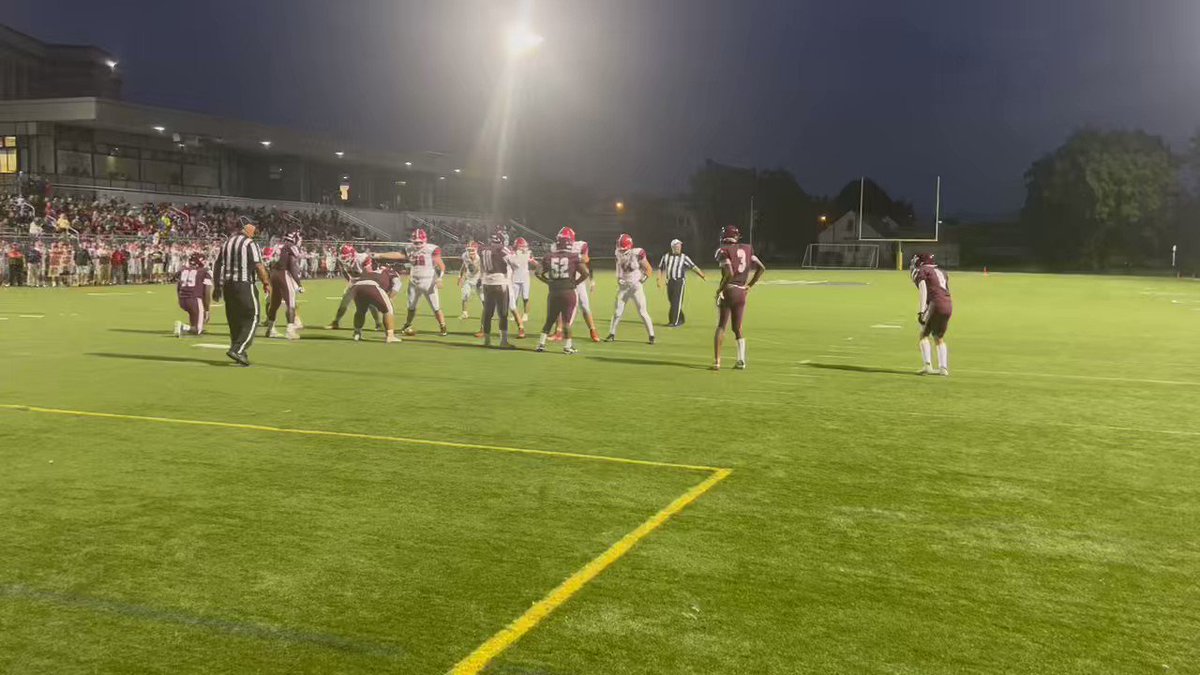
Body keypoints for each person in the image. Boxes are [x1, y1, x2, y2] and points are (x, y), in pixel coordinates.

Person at [212, 221, 271, 366]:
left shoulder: (227, 243)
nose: (255, 234)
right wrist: (266, 283)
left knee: (235, 319)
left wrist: (217, 286)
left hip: (227, 285)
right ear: (249, 230)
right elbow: (258, 265)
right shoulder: (250, 244)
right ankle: (238, 349)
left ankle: (239, 351)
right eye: (254, 231)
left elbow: (218, 264)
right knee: (253, 316)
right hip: (244, 284)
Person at [713, 225, 766, 371]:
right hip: (742, 292)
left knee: (721, 326)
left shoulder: (723, 250)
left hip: (729, 290)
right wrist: (750, 285)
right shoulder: (748, 248)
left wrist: (720, 289)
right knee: (737, 328)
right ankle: (741, 360)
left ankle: (717, 362)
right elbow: (762, 268)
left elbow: (729, 273)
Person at [534, 230, 590, 354]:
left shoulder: (549, 256)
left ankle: (541, 344)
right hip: (568, 291)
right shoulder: (574, 256)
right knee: (566, 321)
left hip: (554, 291)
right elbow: (586, 273)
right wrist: (576, 282)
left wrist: (547, 281)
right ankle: (567, 347)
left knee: (549, 319)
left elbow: (537, 273)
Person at [605, 233, 656, 344]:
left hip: (636, 287)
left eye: (624, 249)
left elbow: (649, 269)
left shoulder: (637, 253)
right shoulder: (618, 253)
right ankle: (612, 333)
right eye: (620, 249)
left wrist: (642, 280)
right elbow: (618, 268)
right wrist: (619, 279)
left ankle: (651, 335)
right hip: (623, 288)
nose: (622, 251)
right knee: (617, 312)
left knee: (642, 312)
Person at [399, 228, 448, 336]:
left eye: (420, 242)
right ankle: (408, 324)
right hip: (414, 281)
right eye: (415, 242)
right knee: (411, 306)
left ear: (425, 240)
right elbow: (399, 255)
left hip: (428, 281)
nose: (417, 244)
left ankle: (443, 326)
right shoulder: (408, 248)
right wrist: (380, 255)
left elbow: (441, 265)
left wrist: (440, 278)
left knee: (435, 306)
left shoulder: (432, 249)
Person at [555, 226, 601, 342]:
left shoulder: (580, 245)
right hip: (564, 279)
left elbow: (586, 259)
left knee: (585, 306)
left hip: (577, 279)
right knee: (560, 306)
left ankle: (592, 330)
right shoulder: (557, 247)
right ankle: (559, 332)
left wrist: (574, 258)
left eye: (563, 238)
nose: (562, 241)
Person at [911, 252, 952, 376]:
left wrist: (922, 311)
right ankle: (943, 368)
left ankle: (927, 365)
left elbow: (923, 290)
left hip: (935, 304)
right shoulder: (942, 272)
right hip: (948, 303)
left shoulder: (923, 271)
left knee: (924, 334)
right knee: (939, 337)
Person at [327, 244, 381, 330]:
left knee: (371, 304)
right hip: (353, 281)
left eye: (346, 256)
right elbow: (344, 272)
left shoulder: (362, 258)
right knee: (344, 302)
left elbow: (369, 273)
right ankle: (336, 322)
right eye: (343, 257)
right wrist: (349, 281)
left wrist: (365, 285)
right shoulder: (341, 260)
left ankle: (378, 323)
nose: (344, 259)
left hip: (365, 280)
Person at [478, 230, 516, 348]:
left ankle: (487, 341)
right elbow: (514, 263)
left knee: (488, 313)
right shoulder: (502, 249)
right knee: (503, 313)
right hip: (500, 282)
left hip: (486, 282)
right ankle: (503, 341)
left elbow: (482, 265)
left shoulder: (483, 249)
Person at [265, 229, 305, 340]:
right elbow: (292, 266)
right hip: (283, 274)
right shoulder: (290, 246)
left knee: (274, 303)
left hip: (273, 274)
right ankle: (290, 330)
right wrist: (299, 283)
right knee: (291, 303)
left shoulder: (279, 245)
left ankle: (270, 329)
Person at [657, 239, 706, 326]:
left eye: (679, 246)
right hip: (670, 281)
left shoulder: (684, 257)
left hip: (679, 281)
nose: (679, 248)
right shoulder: (666, 256)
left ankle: (674, 322)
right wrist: (659, 279)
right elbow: (661, 267)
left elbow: (693, 266)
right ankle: (681, 319)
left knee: (676, 302)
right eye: (677, 246)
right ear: (672, 247)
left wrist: (702, 275)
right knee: (672, 301)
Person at [349, 266, 403, 343]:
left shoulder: (373, 272)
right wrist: (390, 298)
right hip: (373, 286)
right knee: (388, 310)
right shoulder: (392, 272)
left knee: (360, 310)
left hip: (357, 287)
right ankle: (390, 336)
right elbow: (397, 285)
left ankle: (357, 333)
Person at [174, 252, 213, 337]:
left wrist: (179, 298)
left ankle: (191, 327)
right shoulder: (205, 271)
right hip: (194, 299)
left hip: (183, 298)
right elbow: (207, 291)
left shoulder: (183, 269)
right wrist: (207, 309)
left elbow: (178, 286)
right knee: (198, 330)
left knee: (193, 315)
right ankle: (183, 327)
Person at [510, 237, 535, 323]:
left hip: (525, 278)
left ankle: (525, 314)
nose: (522, 248)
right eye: (521, 246)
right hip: (515, 277)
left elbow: (533, 263)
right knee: (514, 298)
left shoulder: (528, 253)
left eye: (523, 246)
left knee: (525, 297)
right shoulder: (512, 254)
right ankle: (515, 314)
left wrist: (533, 261)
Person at [458, 241, 483, 319]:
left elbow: (476, 270)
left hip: (478, 279)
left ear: (476, 249)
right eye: (469, 250)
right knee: (465, 296)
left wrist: (481, 279)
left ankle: (489, 313)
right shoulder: (464, 255)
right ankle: (464, 313)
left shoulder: (480, 258)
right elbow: (464, 266)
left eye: (472, 250)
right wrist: (460, 276)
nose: (470, 252)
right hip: (469, 279)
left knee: (483, 299)